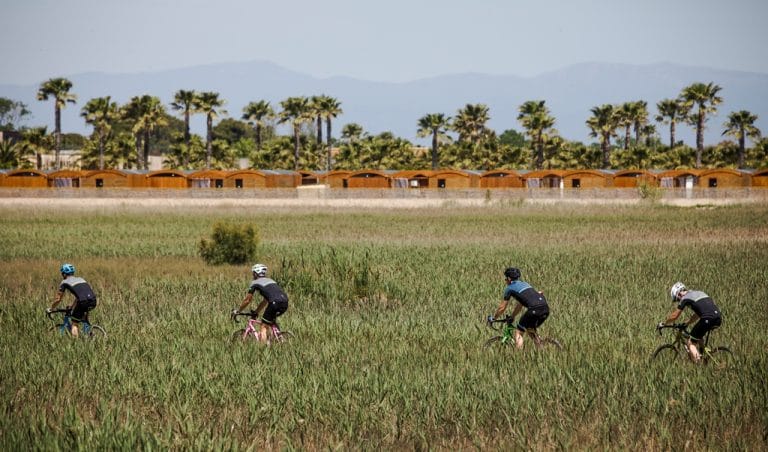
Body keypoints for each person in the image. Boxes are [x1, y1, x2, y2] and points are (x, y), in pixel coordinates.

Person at [659, 281, 722, 363]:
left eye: (677, 299)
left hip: (707, 318)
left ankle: (699, 365)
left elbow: (675, 316)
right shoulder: (699, 293)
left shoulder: (685, 298)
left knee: (690, 342)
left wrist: (664, 323)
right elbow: (698, 315)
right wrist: (686, 323)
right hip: (718, 317)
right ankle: (704, 354)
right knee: (698, 336)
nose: (679, 301)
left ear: (679, 294)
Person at [488, 267, 550, 349]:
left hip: (534, 310)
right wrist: (512, 316)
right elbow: (520, 304)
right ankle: (541, 350)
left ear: (509, 279)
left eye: (505, 279)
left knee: (519, 333)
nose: (505, 281)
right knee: (530, 329)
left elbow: (502, 308)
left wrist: (494, 318)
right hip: (545, 309)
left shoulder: (509, 288)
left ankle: (519, 355)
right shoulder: (525, 284)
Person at [233, 263, 289, 343]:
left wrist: (239, 311)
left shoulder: (255, 282)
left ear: (256, 273)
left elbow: (247, 300)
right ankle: (278, 338)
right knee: (271, 321)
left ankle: (262, 348)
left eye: (253, 273)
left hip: (274, 303)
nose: (253, 275)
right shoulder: (271, 281)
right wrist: (256, 312)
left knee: (263, 326)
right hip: (285, 302)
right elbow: (265, 301)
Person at [48, 263, 98, 338]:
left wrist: (52, 308)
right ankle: (89, 334)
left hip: (83, 302)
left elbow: (58, 299)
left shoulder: (64, 282)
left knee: (74, 323)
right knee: (83, 318)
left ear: (64, 274)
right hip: (93, 301)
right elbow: (79, 296)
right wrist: (72, 306)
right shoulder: (81, 279)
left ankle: (76, 342)